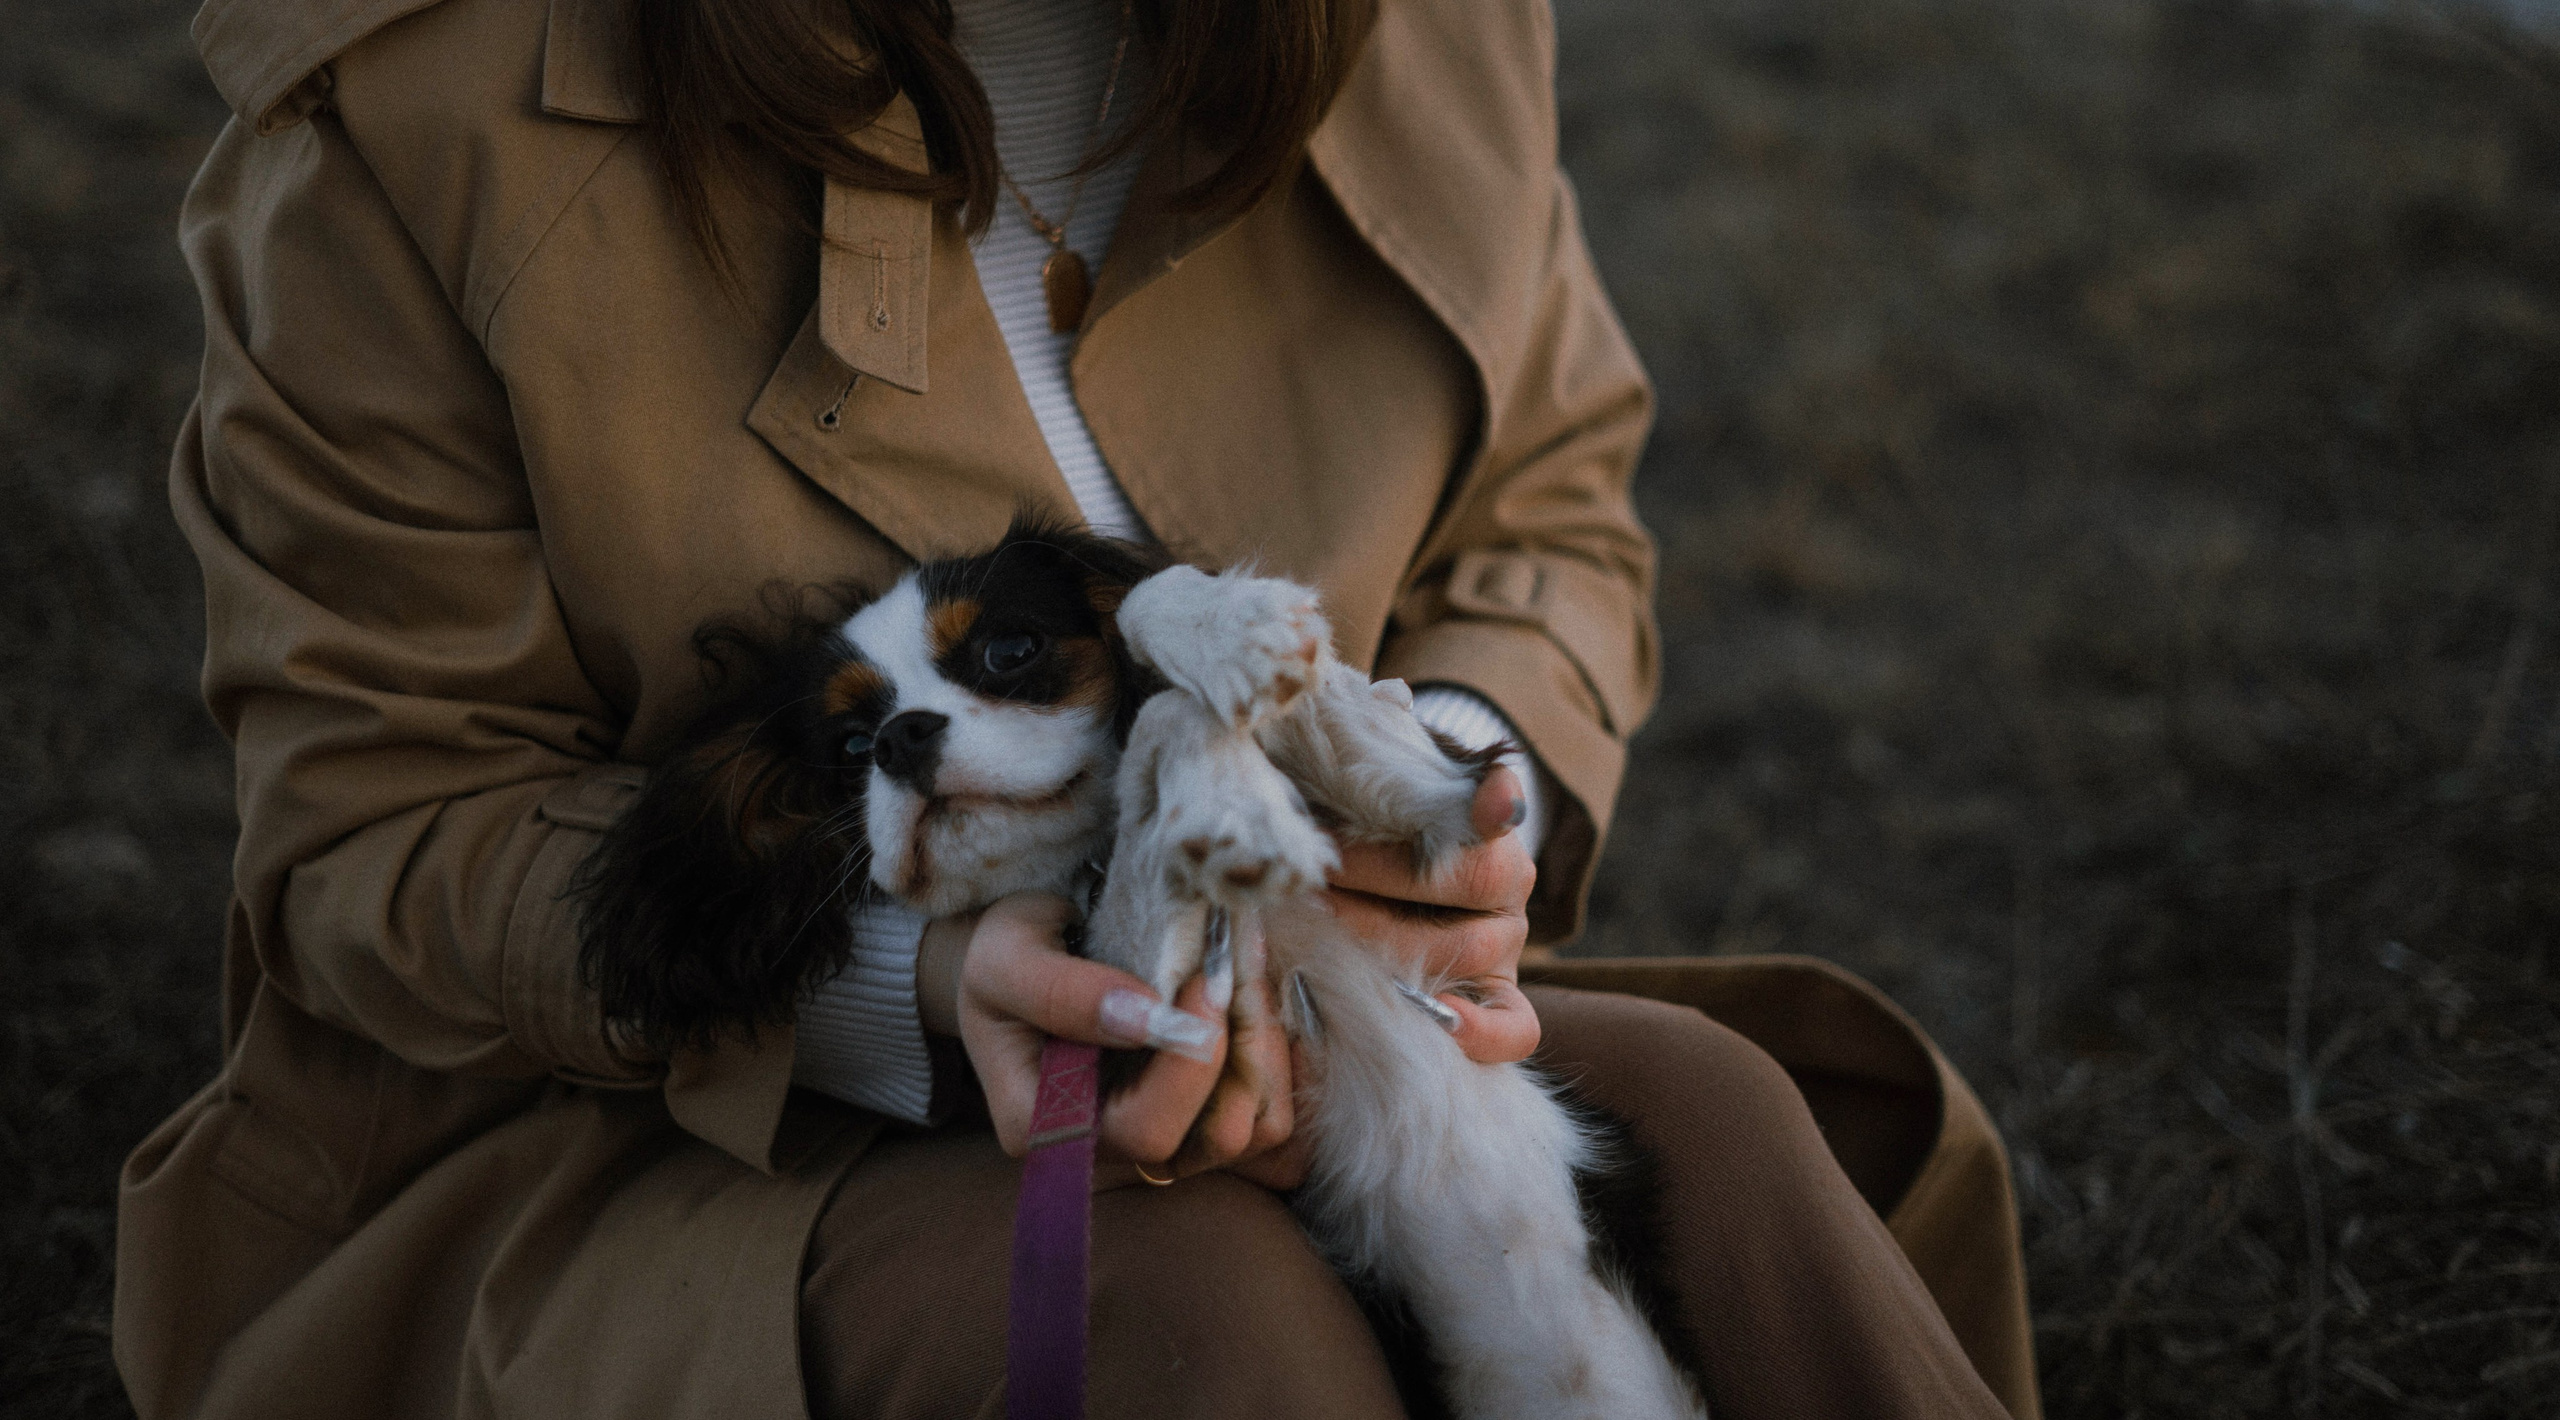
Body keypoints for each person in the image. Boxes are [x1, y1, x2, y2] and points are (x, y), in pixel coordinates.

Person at [115, 0, 2040, 1416]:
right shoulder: (408, 110)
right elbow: (381, 837)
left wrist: (1447, 792)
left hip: (1314, 989)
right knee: (1206, 1316)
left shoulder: (1426, 27)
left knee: (1728, 1124)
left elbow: (1549, 503)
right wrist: (909, 986)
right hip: (661, 1129)